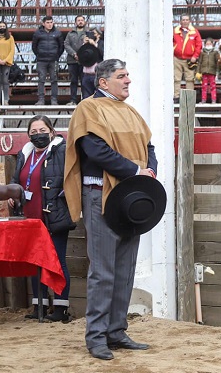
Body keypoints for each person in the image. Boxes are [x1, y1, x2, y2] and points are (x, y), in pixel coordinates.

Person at [63, 59, 157, 361]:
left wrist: (150, 170)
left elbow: (150, 146)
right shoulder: (88, 109)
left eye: (128, 74)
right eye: (122, 76)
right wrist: (137, 170)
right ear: (103, 82)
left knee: (125, 268)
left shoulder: (129, 111)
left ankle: (116, 330)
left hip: (131, 197)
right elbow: (96, 150)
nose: (128, 80)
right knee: (103, 271)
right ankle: (96, 337)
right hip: (100, 195)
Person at [10, 116, 76, 322]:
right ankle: (39, 306)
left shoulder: (62, 151)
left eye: (42, 130)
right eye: (34, 131)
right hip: (30, 217)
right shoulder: (24, 154)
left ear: (51, 131)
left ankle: (60, 309)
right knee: (34, 262)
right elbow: (16, 180)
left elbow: (72, 177)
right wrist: (14, 194)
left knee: (57, 261)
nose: (38, 134)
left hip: (53, 216)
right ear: (29, 134)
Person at [31, 16, 64, 106]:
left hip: (54, 61)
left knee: (54, 80)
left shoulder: (58, 33)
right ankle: (41, 100)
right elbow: (34, 46)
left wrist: (56, 56)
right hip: (41, 61)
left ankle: (54, 100)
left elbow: (61, 46)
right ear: (43, 23)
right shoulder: (38, 33)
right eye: (48, 22)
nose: (50, 24)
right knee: (41, 80)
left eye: (51, 22)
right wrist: (39, 55)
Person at [172, 14, 202, 103]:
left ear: (189, 21)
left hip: (190, 59)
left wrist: (195, 56)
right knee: (176, 78)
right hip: (177, 58)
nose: (185, 21)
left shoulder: (195, 32)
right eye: (183, 20)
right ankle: (176, 96)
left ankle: (189, 97)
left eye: (187, 20)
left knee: (190, 79)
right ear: (180, 21)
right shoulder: (175, 31)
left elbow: (199, 45)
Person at [64, 15, 87, 106]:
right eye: (78, 20)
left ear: (84, 22)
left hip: (84, 61)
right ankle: (73, 100)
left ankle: (85, 99)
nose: (80, 22)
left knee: (84, 81)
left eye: (82, 20)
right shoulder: (70, 34)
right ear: (75, 22)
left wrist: (81, 55)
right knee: (73, 81)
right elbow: (66, 45)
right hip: (72, 61)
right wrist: (74, 54)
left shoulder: (88, 33)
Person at [0, 21, 15, 106]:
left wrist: (6, 60)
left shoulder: (10, 38)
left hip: (6, 62)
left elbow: (12, 50)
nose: (2, 27)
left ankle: (6, 100)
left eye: (3, 26)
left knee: (5, 81)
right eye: (0, 26)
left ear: (6, 27)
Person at [80, 27, 104, 100]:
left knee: (98, 97)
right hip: (86, 74)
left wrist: (95, 45)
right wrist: (84, 44)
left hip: (96, 74)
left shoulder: (101, 43)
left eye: (94, 33)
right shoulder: (87, 44)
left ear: (99, 35)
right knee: (86, 98)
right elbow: (81, 55)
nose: (92, 35)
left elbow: (102, 54)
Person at [198, 38, 220, 104]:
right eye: (207, 44)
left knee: (213, 87)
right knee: (204, 87)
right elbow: (199, 62)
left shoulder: (215, 53)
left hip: (212, 72)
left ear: (212, 44)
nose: (208, 45)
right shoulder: (202, 53)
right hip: (204, 72)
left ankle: (213, 100)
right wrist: (198, 72)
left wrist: (217, 72)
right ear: (205, 44)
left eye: (210, 43)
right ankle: (203, 100)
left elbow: (217, 63)